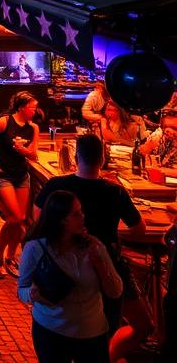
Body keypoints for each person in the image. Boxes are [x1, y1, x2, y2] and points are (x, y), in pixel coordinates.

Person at [34, 134, 152, 361]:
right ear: (103, 158)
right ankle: (109, 355)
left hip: (63, 266)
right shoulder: (114, 191)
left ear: (77, 157)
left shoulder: (57, 186)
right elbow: (140, 229)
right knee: (140, 326)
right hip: (107, 267)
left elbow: (37, 221)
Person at [18, 190, 123, 363]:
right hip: (51, 331)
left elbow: (116, 291)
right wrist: (32, 295)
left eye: (81, 211)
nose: (83, 216)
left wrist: (101, 267)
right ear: (60, 220)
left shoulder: (93, 246)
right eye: (76, 214)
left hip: (92, 333)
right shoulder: (35, 248)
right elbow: (22, 288)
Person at [0, 90, 40, 279]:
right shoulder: (5, 122)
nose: (34, 111)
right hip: (3, 174)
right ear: (22, 107)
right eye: (32, 108)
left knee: (21, 219)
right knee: (14, 216)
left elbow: (34, 154)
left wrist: (23, 150)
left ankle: (10, 257)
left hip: (21, 175)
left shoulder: (33, 128)